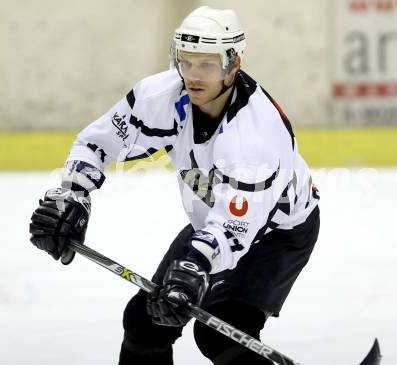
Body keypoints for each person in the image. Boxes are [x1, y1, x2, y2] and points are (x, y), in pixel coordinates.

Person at [29, 6, 320, 365]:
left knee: (220, 332)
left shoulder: (255, 139)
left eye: (208, 65)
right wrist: (74, 194)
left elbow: (233, 228)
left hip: (278, 233)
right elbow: (96, 144)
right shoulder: (161, 96)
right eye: (187, 62)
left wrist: (196, 264)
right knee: (145, 321)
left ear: (233, 63)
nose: (194, 76)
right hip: (214, 219)